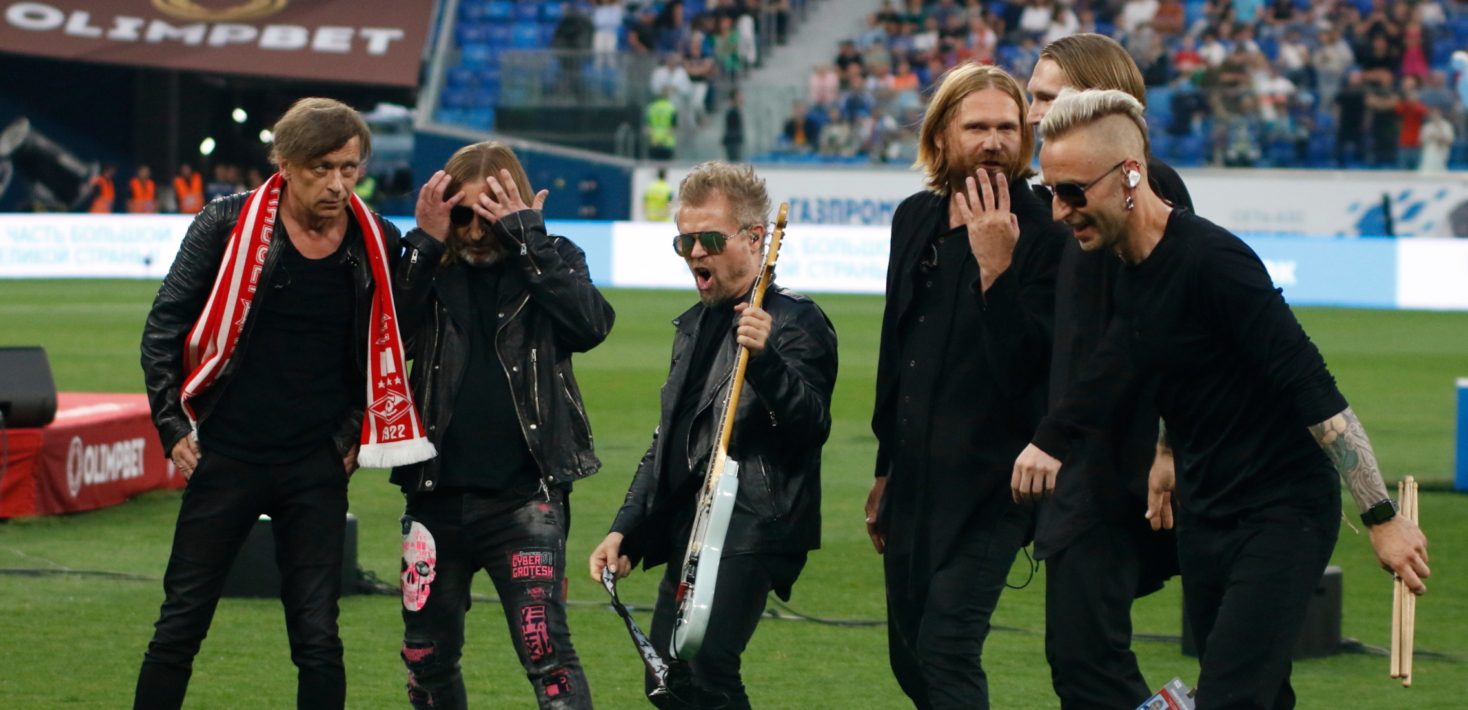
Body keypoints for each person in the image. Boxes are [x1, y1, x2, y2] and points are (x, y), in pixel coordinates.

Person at [1015, 89, 1432, 709]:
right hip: (1205, 510)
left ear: (1131, 174)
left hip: (1281, 512)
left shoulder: (1216, 262)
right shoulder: (1128, 263)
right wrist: (1145, 448)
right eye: (1051, 192)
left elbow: (1312, 387)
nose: (1059, 212)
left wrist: (1382, 519)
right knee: (1258, 693)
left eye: (1073, 192)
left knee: (1229, 698)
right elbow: (1141, 359)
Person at [136, 97, 439, 710]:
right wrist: (172, 425)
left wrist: (352, 434)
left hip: (315, 465)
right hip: (226, 455)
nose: (337, 184)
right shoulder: (225, 223)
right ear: (284, 162)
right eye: (321, 168)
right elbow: (165, 326)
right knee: (179, 628)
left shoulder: (374, 238)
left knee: (319, 637)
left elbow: (392, 337)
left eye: (349, 169)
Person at [590, 161, 837, 709]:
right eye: (685, 242)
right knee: (666, 680)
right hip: (691, 525)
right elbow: (671, 440)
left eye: (708, 239)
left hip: (751, 522)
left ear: (755, 239)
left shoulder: (796, 322)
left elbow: (810, 427)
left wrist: (768, 361)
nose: (696, 253)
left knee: (707, 670)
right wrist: (628, 530)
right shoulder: (694, 325)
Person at [866, 63, 1067, 710]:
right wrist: (884, 469)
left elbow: (1031, 371)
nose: (993, 141)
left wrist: (996, 269)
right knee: (907, 655)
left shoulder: (1048, 235)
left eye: (1007, 127)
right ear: (942, 135)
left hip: (995, 486)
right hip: (915, 478)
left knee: (947, 648)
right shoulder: (914, 218)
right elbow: (896, 355)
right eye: (976, 126)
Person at [391, 141, 614, 709]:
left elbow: (590, 325)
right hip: (433, 497)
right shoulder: (426, 263)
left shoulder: (553, 255)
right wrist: (422, 240)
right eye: (461, 214)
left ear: (511, 207)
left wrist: (527, 239)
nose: (471, 231)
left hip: (525, 499)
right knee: (425, 658)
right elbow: (387, 339)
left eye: (487, 215)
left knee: (548, 656)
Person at [1025, 33, 1192, 708]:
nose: (1033, 112)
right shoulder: (1054, 201)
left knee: (1086, 660)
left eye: (1047, 96)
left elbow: (1170, 330)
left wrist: (1166, 446)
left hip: (1117, 469)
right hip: (1083, 463)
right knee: (1080, 660)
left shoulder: (1149, 189)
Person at [646, 88, 678, 160]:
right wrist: (663, 140)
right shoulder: (671, 108)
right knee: (665, 166)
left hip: (654, 142)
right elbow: (673, 128)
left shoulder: (652, 108)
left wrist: (656, 140)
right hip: (667, 142)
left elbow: (648, 128)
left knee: (655, 165)